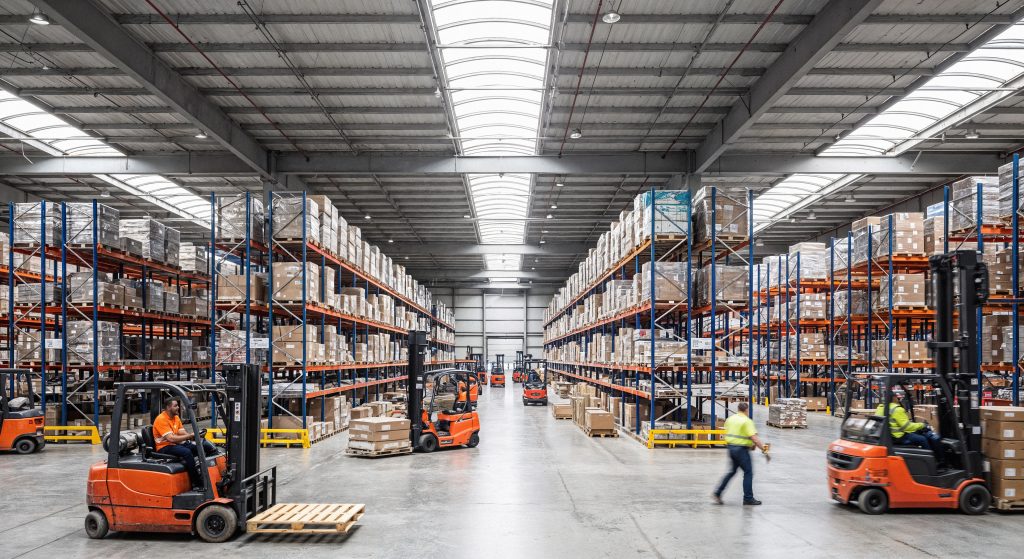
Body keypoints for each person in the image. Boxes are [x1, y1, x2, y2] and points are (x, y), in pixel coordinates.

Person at [153, 398, 219, 490]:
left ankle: (203, 473)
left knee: (199, 447)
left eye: (178, 405)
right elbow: (170, 438)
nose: (178, 407)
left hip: (175, 444)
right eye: (175, 406)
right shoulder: (161, 419)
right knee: (187, 452)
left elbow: (181, 432)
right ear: (168, 407)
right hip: (164, 446)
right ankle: (196, 483)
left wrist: (193, 436)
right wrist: (189, 436)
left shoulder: (175, 417)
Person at [713, 402, 770, 506]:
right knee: (748, 473)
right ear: (746, 410)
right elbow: (754, 438)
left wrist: (749, 443)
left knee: (732, 471)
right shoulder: (747, 421)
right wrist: (765, 450)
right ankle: (748, 498)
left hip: (731, 448)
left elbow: (733, 433)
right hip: (741, 450)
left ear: (738, 409)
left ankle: (717, 493)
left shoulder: (730, 419)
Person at [877, 401, 943, 458]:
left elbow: (897, 424)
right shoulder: (896, 409)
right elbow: (907, 426)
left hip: (890, 436)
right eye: (897, 397)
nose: (898, 399)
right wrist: (922, 425)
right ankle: (932, 460)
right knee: (923, 439)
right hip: (899, 437)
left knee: (917, 432)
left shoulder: (880, 407)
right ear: (893, 397)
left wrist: (916, 427)